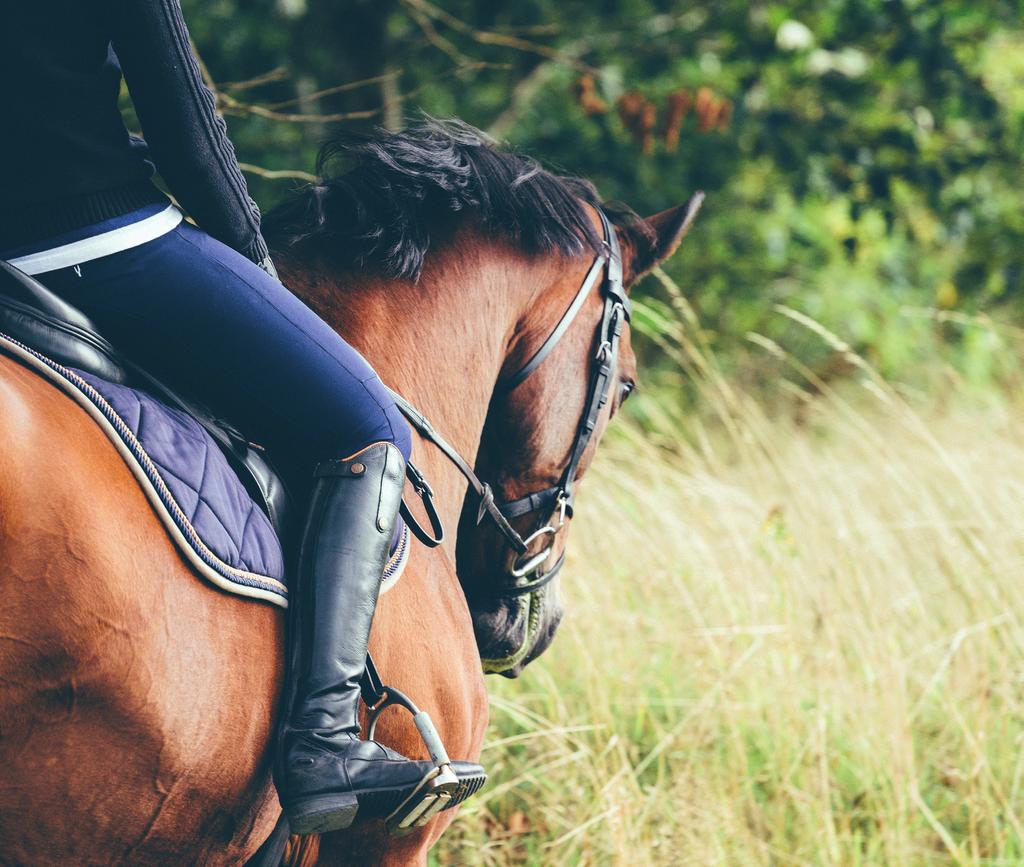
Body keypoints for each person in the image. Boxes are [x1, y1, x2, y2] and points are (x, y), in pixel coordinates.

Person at [0, 0, 482, 835]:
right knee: (366, 426)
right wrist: (256, 265)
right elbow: (186, 120)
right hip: (92, 241)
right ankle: (324, 740)